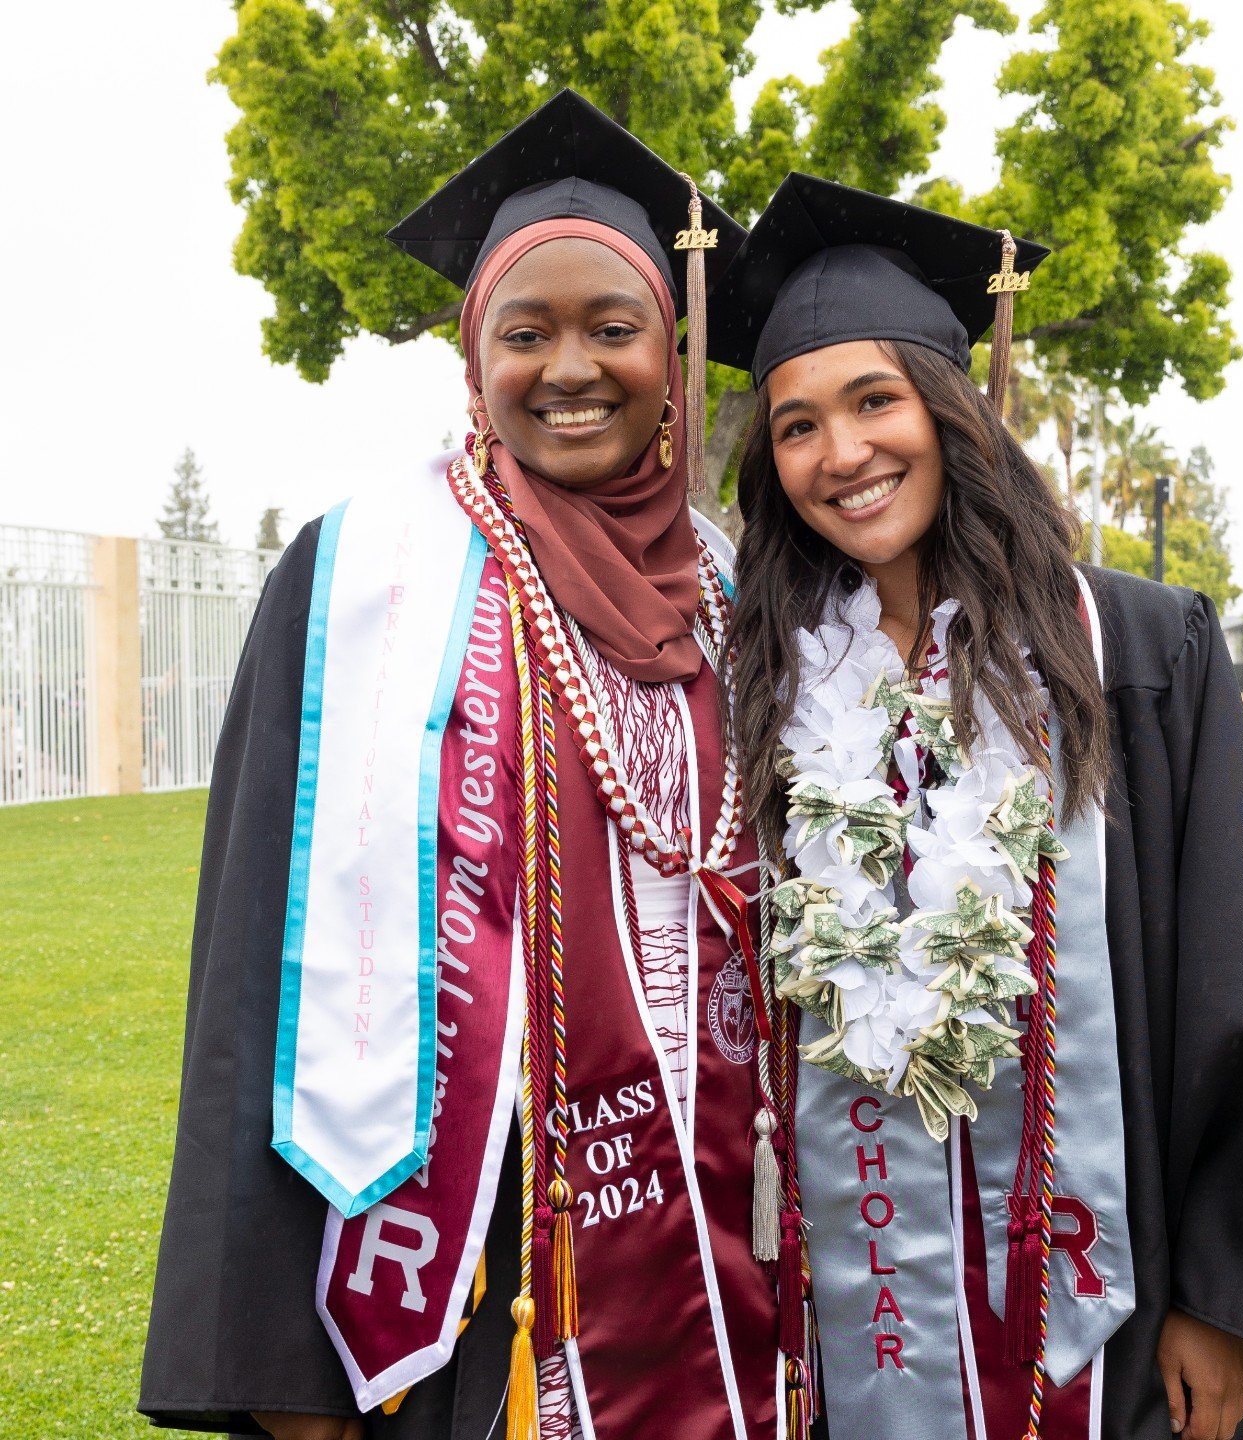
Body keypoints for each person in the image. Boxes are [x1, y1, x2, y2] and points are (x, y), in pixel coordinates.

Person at [141, 91, 790, 1440]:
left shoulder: (741, 591)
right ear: (470, 358)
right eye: (525, 332)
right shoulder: (361, 578)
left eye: (614, 328)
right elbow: (255, 960)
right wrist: (278, 1366)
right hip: (467, 1274)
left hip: (721, 1256)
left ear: (674, 355)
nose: (571, 367)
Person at [709, 173, 1243, 1440]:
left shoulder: (1129, 645)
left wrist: (1220, 1301)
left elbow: (1237, 987)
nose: (839, 455)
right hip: (844, 1322)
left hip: (1105, 1310)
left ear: (954, 411)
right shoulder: (764, 675)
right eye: (795, 425)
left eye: (874, 401)